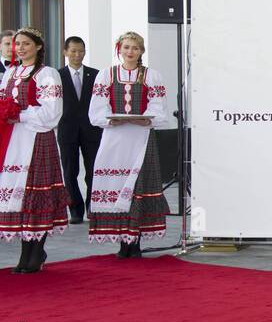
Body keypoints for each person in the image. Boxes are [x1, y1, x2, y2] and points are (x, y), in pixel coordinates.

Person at [87, 32, 172, 256]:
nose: (130, 52)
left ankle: (135, 241)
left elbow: (158, 106)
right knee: (116, 184)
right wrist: (110, 118)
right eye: (126, 47)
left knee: (139, 186)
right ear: (119, 49)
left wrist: (146, 117)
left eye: (135, 48)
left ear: (141, 51)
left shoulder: (151, 76)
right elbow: (97, 107)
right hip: (115, 138)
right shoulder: (107, 74)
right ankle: (123, 240)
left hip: (140, 137)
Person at [0, 27, 71, 272]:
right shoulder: (10, 72)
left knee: (35, 194)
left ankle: (36, 251)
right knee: (19, 195)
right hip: (13, 141)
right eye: (17, 44)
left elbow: (52, 113)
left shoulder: (47, 74)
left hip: (37, 138)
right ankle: (26, 253)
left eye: (26, 44)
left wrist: (19, 114)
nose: (20, 48)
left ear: (39, 46)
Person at [58, 36, 101, 225]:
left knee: (93, 170)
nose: (77, 55)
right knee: (69, 171)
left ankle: (93, 206)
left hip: (92, 130)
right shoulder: (57, 76)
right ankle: (75, 209)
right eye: (73, 51)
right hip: (67, 130)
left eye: (81, 51)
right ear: (65, 52)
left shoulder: (96, 74)